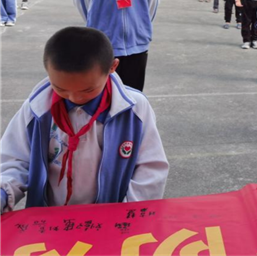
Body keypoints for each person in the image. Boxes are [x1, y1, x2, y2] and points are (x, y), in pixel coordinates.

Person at [0, 27, 169, 213]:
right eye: (60, 88)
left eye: (87, 90)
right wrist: (3, 191)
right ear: (48, 70)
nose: (74, 98)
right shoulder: (36, 108)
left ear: (112, 67)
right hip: (50, 219)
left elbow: (150, 168)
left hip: (108, 220)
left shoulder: (135, 108)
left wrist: (127, 214)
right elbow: (15, 159)